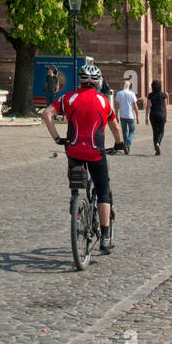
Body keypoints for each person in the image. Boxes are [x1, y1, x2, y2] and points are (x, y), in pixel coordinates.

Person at [43, 62, 123, 254]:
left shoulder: (69, 98)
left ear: (80, 81)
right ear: (97, 82)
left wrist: (57, 138)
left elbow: (47, 113)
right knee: (103, 191)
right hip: (96, 152)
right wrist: (120, 143)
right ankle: (105, 237)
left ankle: (76, 204)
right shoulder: (103, 101)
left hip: (73, 150)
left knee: (76, 180)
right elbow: (116, 127)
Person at [145, 78, 168, 156]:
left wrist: (146, 117)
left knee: (155, 131)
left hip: (153, 114)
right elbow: (165, 107)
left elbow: (148, 106)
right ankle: (158, 143)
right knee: (161, 131)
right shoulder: (163, 95)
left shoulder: (150, 95)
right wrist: (166, 116)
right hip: (161, 114)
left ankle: (155, 147)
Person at [114, 79, 137, 153]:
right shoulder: (132, 94)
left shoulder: (119, 93)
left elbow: (116, 106)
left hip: (122, 115)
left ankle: (125, 146)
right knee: (132, 130)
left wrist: (116, 115)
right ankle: (128, 143)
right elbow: (135, 106)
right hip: (130, 115)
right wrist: (137, 116)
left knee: (124, 131)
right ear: (129, 86)